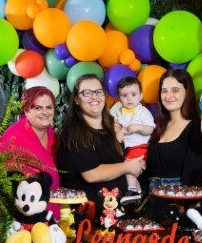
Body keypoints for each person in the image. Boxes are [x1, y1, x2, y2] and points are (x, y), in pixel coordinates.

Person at [58, 74, 146, 204]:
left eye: (98, 91)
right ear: (76, 99)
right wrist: (128, 167)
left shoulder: (116, 125)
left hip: (122, 208)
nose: (94, 96)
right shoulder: (73, 133)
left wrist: (138, 163)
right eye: (87, 93)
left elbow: (129, 156)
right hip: (90, 211)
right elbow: (91, 174)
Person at [0, 85, 60, 218]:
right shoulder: (14, 136)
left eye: (49, 107)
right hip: (25, 217)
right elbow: (2, 180)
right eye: (38, 108)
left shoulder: (52, 134)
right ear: (26, 109)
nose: (45, 112)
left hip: (53, 215)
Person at [147, 68, 202, 190]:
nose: (168, 96)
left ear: (187, 93)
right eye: (164, 91)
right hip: (152, 197)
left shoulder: (196, 128)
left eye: (175, 90)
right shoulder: (157, 127)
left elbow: (198, 178)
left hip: (179, 197)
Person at [110, 76, 155, 203]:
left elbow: (150, 129)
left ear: (141, 96)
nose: (129, 98)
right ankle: (139, 192)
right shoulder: (119, 112)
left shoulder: (143, 112)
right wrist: (117, 131)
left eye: (133, 94)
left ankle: (132, 190)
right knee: (124, 167)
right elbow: (116, 125)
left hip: (140, 146)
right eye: (124, 95)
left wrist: (138, 128)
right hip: (127, 147)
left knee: (128, 165)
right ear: (119, 98)